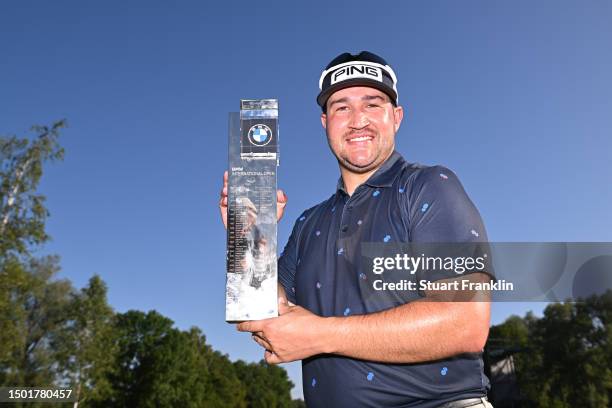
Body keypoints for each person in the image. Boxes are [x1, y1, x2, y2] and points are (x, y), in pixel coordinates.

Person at [220, 51, 494, 408]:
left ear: (396, 117)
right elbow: (266, 315)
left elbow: (464, 323)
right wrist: (249, 239)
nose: (358, 120)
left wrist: (320, 335)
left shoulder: (429, 186)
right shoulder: (308, 222)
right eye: (342, 108)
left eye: (373, 104)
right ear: (325, 122)